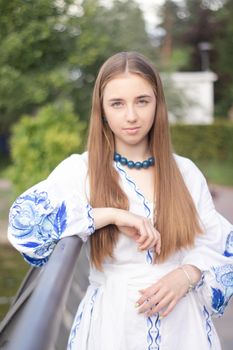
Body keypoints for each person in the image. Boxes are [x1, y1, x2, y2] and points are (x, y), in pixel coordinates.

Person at [8, 52, 233, 350]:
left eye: (142, 101)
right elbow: (24, 223)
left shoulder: (185, 172)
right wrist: (111, 215)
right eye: (117, 103)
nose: (131, 116)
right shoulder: (82, 170)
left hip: (183, 326)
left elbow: (219, 244)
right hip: (113, 325)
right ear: (101, 109)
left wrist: (186, 275)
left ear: (157, 104)